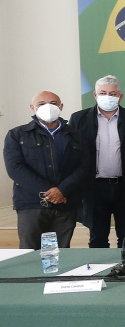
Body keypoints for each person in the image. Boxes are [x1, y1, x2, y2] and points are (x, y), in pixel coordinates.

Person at [3, 91, 92, 249]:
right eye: (41, 104)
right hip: (31, 204)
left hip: (66, 203)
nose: (48, 107)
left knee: (61, 253)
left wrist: (62, 190)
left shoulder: (76, 135)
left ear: (61, 106)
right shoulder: (17, 135)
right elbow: (15, 169)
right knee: (29, 253)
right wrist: (50, 192)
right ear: (32, 108)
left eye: (53, 103)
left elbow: (84, 167)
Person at [69, 75, 125, 249]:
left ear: (120, 96)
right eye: (103, 93)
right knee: (97, 237)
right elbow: (72, 156)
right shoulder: (78, 119)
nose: (107, 96)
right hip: (93, 187)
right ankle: (99, 271)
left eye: (112, 93)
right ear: (95, 95)